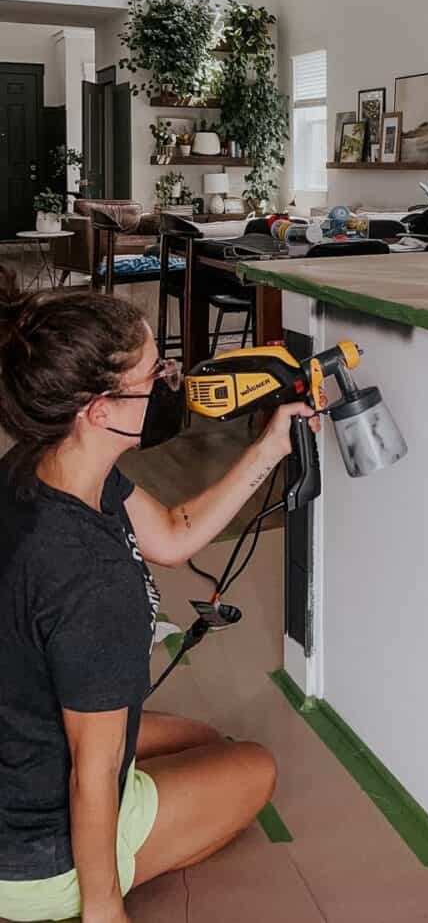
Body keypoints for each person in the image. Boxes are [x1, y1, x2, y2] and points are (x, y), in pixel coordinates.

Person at [0, 269, 320, 923]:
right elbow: (93, 772)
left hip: (19, 741)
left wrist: (270, 445)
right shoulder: (94, 581)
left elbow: (172, 535)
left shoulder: (40, 462)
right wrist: (103, 908)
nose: (170, 385)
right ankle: (78, 891)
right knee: (253, 765)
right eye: (154, 377)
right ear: (100, 408)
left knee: (204, 738)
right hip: (31, 859)